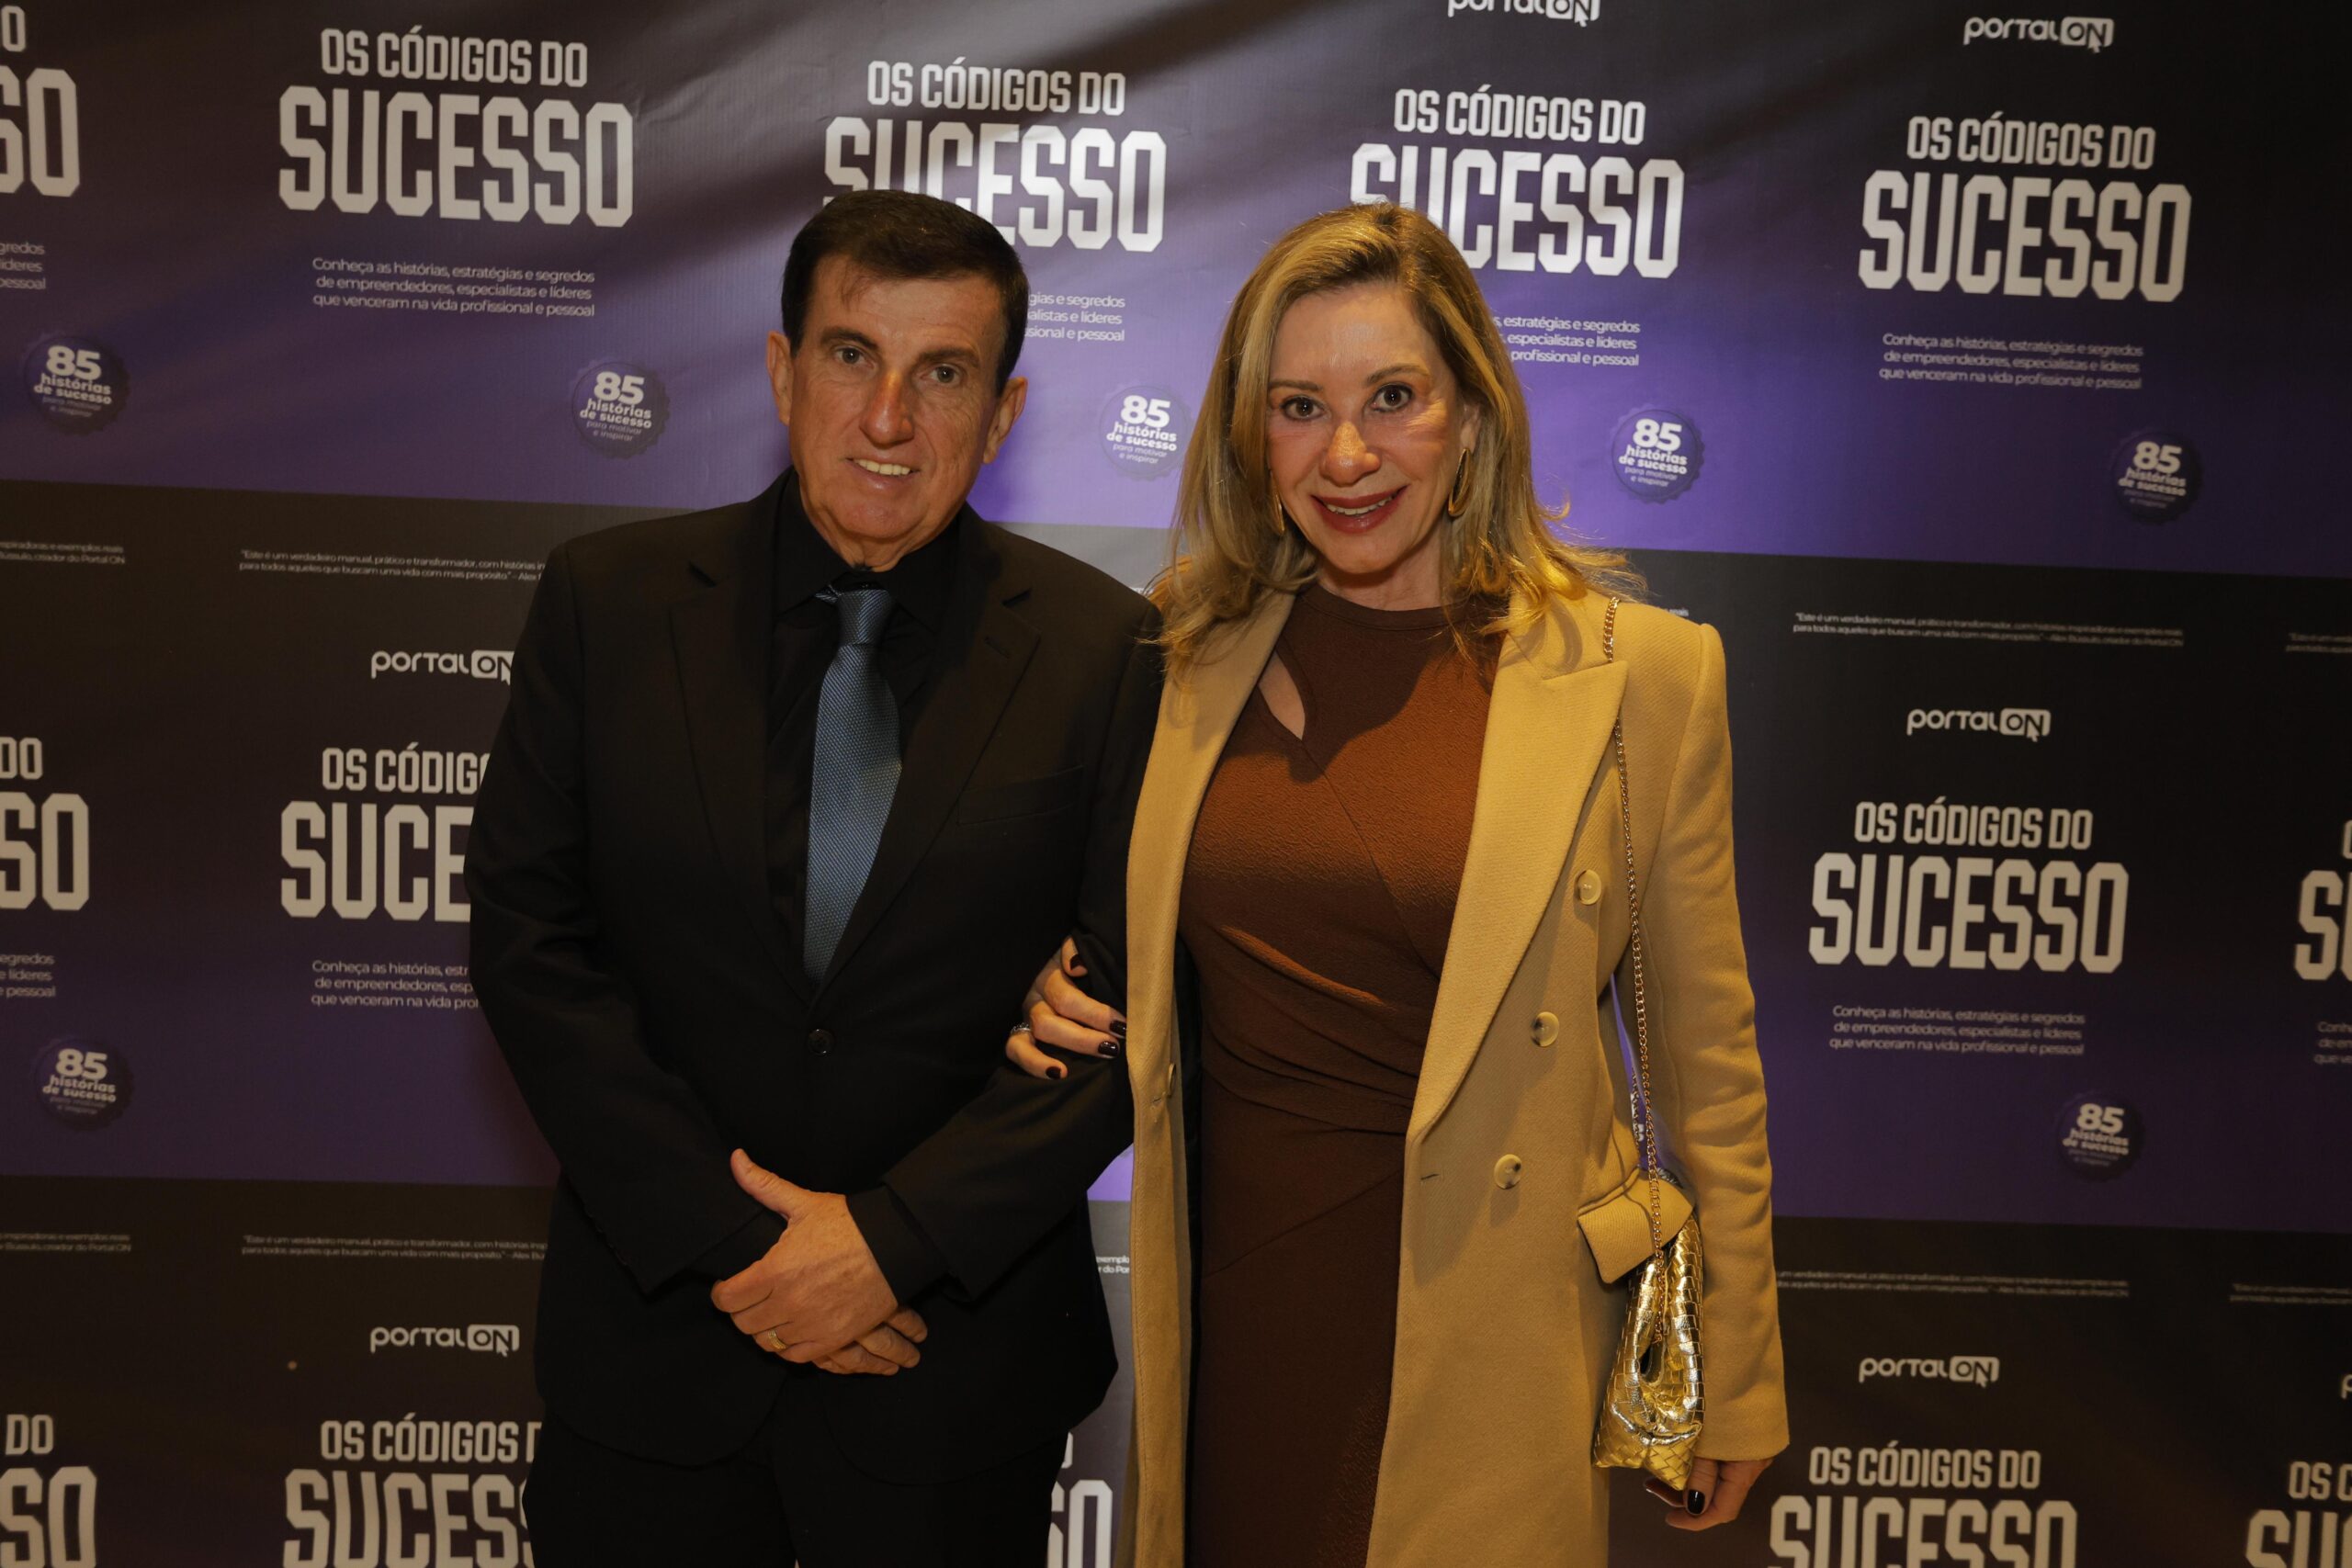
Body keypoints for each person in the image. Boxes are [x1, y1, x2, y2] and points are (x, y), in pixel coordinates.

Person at [1004, 202, 1787, 1566]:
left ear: (1472, 416)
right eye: (1299, 406)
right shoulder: (1180, 653)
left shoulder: (1643, 676)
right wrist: (1046, 978)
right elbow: (1105, 911)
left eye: (1394, 398)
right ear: (1252, 434)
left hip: (1502, 1322)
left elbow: (1705, 1056)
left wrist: (1740, 1364)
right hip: (1244, 1311)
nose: (1347, 455)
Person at [466, 188, 1160, 1566]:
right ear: (784, 373)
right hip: (658, 1359)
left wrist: (891, 1246)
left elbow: (1129, 1007)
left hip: (951, 1380)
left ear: (1004, 414)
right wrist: (743, 1247)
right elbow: (531, 947)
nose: (889, 418)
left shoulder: (1109, 653)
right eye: (853, 356)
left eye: (943, 374)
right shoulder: (608, 604)